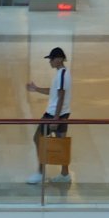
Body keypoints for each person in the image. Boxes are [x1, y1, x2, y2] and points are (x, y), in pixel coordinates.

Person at [26, 48, 71, 186]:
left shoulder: (62, 75)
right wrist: (36, 89)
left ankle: (40, 172)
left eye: (51, 59)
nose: (50, 62)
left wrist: (55, 119)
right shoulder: (62, 74)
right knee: (60, 143)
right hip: (62, 114)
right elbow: (54, 93)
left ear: (59, 59)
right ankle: (65, 174)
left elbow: (61, 96)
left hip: (53, 114)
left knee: (38, 139)